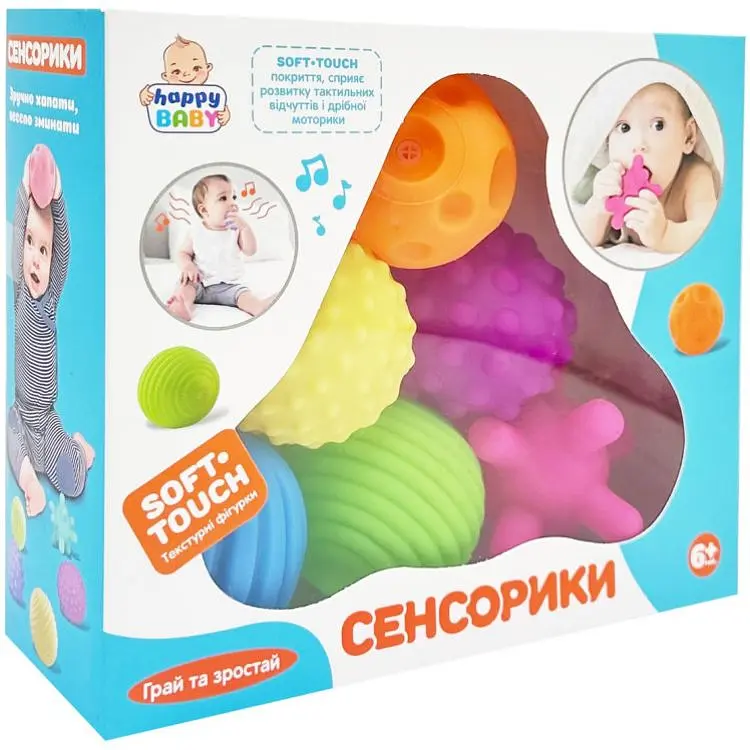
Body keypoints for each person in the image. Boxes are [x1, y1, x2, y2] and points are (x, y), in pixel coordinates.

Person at [575, 82, 717, 254]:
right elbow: (583, 239)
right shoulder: (613, 182)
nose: (638, 144)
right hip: (595, 185)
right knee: (582, 191)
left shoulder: (694, 176)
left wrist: (665, 234)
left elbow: (709, 233)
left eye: (658, 125)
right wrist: (599, 206)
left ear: (688, 136)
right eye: (624, 127)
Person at [166, 174, 277, 321]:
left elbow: (250, 251)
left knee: (244, 296)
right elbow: (183, 252)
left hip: (230, 285)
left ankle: (258, 306)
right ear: (204, 210)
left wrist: (245, 228)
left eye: (234, 197)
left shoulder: (236, 230)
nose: (232, 203)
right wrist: (188, 266)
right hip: (199, 281)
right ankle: (182, 305)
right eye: (223, 198)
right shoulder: (195, 231)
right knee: (186, 286)